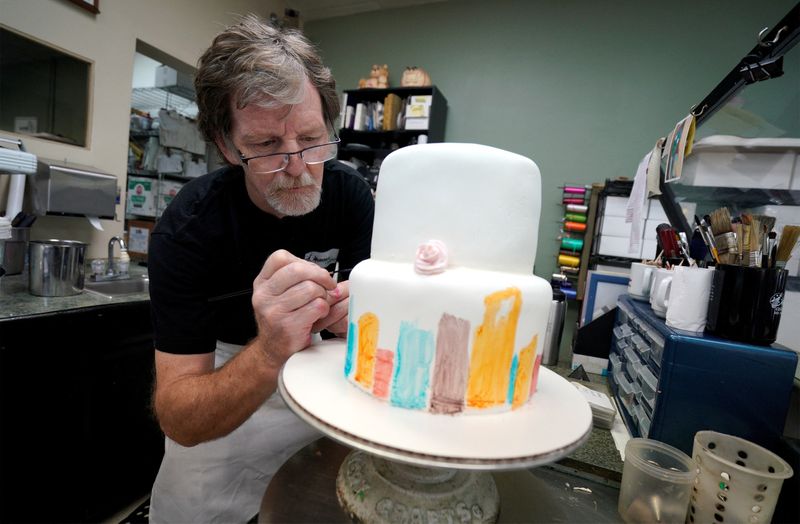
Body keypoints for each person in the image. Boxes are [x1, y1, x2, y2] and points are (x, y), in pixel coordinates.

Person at [147, 14, 374, 523]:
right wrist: (272, 346)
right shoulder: (188, 229)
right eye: (268, 146)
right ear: (228, 147)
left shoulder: (350, 196)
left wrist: (354, 324)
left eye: (312, 138)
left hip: (314, 424)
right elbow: (181, 418)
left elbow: (365, 346)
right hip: (218, 437)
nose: (297, 166)